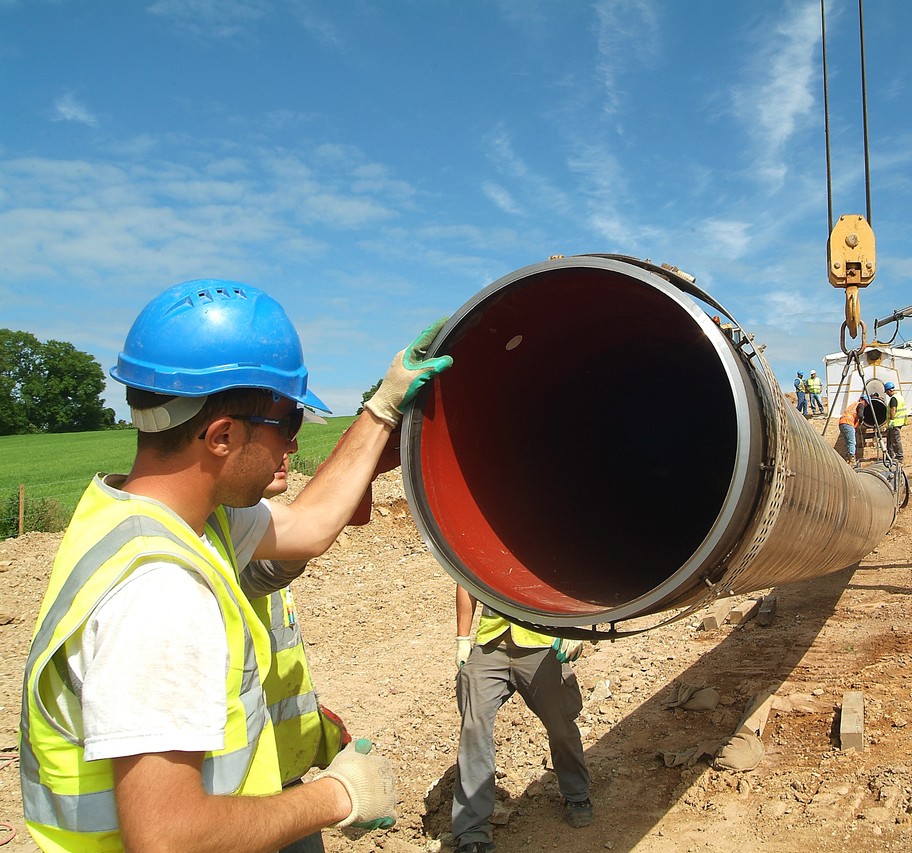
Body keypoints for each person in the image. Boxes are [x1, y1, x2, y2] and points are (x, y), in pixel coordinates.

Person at [20, 279, 449, 852]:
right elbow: (168, 839)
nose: (291, 451)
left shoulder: (155, 518)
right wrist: (338, 796)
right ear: (222, 435)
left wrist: (383, 406)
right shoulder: (159, 593)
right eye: (288, 426)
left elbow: (309, 525)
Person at [453, 586, 592, 853]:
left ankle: (577, 795)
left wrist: (575, 627)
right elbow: (465, 581)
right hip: (491, 644)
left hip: (542, 642)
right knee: (473, 730)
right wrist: (462, 639)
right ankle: (472, 832)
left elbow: (576, 576)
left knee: (561, 726)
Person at [838, 395, 868, 461]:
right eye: (866, 403)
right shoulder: (860, 405)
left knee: (848, 442)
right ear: (863, 401)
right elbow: (860, 415)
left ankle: (848, 457)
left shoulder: (853, 404)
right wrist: (861, 420)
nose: (865, 405)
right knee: (852, 442)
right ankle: (851, 459)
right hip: (848, 423)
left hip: (842, 423)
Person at [884, 381, 907, 463]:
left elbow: (893, 410)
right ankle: (890, 455)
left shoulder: (894, 399)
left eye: (887, 392)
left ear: (889, 390)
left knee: (895, 440)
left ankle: (899, 457)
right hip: (898, 422)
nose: (887, 394)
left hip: (895, 423)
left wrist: (892, 420)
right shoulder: (900, 397)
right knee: (890, 439)